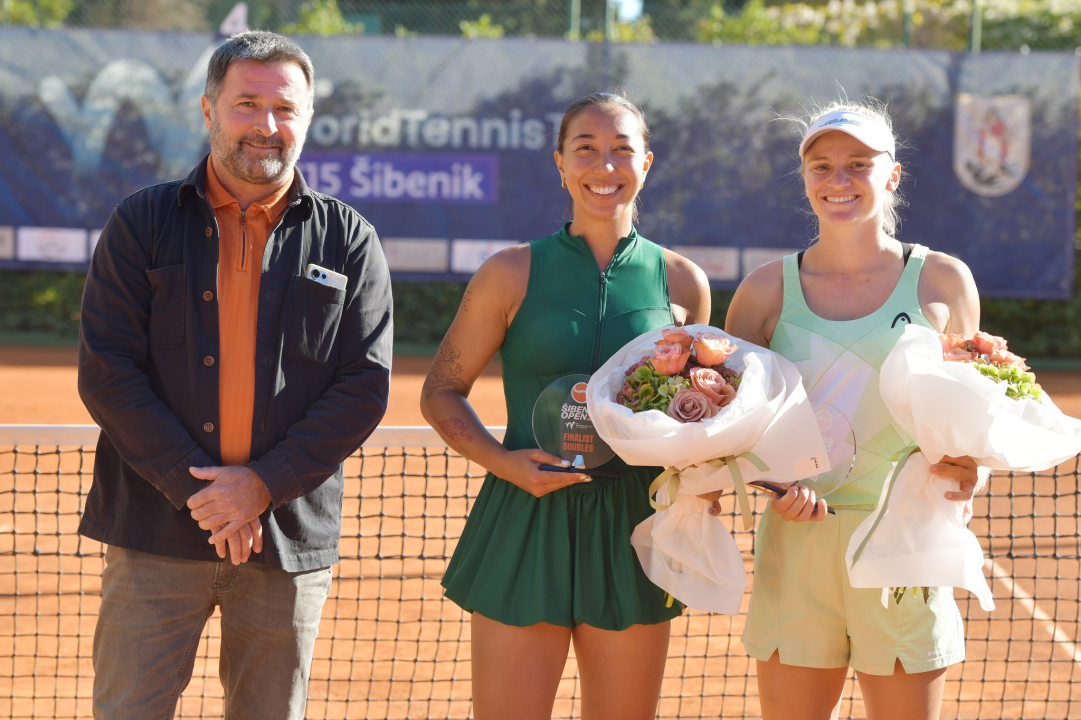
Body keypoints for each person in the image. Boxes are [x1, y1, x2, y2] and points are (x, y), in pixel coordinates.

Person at [77, 31, 392, 719]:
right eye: (246, 104)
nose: (266, 125)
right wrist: (210, 496)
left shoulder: (349, 238)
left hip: (286, 543)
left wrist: (261, 487)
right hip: (153, 532)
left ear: (307, 119)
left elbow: (363, 385)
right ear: (209, 110)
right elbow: (108, 371)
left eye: (285, 108)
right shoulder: (142, 222)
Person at [420, 92, 711, 720]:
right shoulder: (509, 272)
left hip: (635, 526)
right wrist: (504, 463)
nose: (604, 166)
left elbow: (696, 418)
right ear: (560, 163)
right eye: (586, 149)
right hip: (526, 516)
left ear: (647, 163)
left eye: (621, 150)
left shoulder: (682, 282)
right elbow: (440, 390)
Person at [724, 99, 981, 719]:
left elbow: (972, 413)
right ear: (804, 177)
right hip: (797, 544)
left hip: (905, 544)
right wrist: (772, 483)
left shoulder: (943, 281)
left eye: (857, 164)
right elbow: (727, 424)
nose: (837, 181)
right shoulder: (763, 291)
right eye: (821, 166)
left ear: (891, 174)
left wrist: (970, 466)